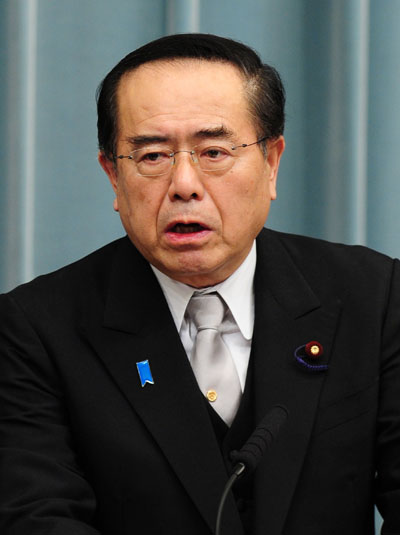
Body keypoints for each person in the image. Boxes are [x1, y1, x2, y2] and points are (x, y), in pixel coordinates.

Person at [0, 33, 399, 535]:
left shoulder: (374, 296)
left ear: (272, 163)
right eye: (152, 157)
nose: (184, 184)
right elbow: (37, 518)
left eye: (213, 151)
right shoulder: (35, 329)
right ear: (112, 179)